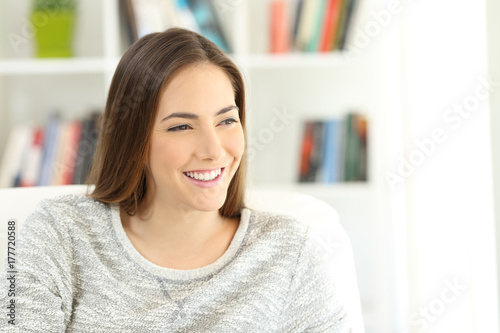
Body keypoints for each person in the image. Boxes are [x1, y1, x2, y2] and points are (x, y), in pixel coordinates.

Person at [1, 28, 350, 332]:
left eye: (227, 120)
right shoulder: (58, 233)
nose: (213, 151)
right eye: (181, 126)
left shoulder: (290, 252)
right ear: (134, 140)